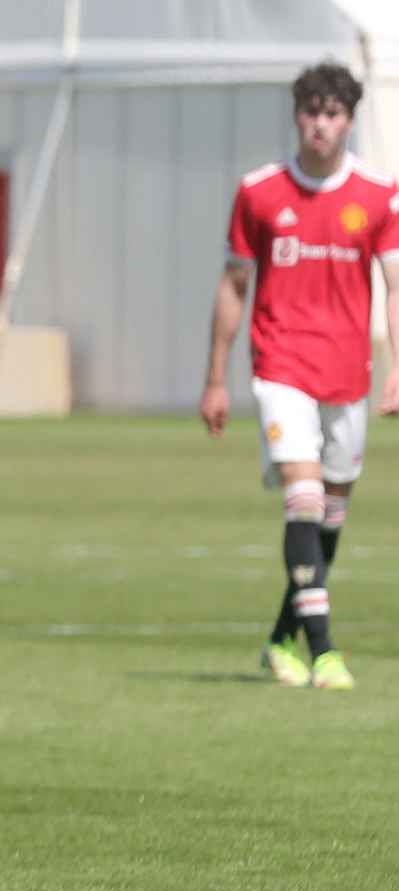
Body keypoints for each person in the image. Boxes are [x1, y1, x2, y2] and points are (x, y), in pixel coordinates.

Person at [201, 61, 399, 691]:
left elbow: (395, 287)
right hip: (281, 367)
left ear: (349, 119)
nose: (320, 124)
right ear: (297, 116)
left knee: (330, 516)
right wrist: (215, 378)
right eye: (311, 112)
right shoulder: (259, 191)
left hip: (349, 374)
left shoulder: (378, 194)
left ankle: (281, 638)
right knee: (305, 500)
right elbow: (233, 286)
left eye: (332, 113)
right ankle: (324, 650)